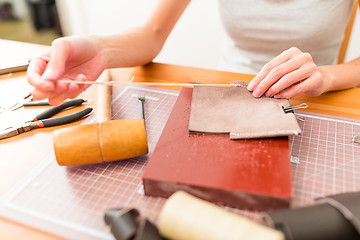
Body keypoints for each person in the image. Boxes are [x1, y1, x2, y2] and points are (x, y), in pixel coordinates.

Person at [27, 0, 360, 105]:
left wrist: (328, 75)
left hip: (317, 97)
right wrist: (100, 49)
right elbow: (152, 34)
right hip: (229, 92)